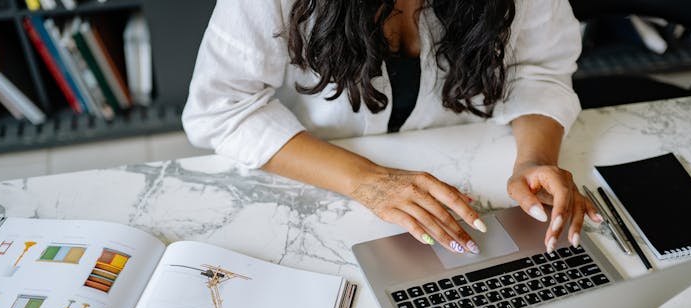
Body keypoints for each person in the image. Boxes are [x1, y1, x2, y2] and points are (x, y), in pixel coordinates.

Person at [182, 0, 602, 255]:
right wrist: (367, 182)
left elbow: (539, 69)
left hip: (469, 161)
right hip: (316, 189)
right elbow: (224, 109)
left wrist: (534, 157)